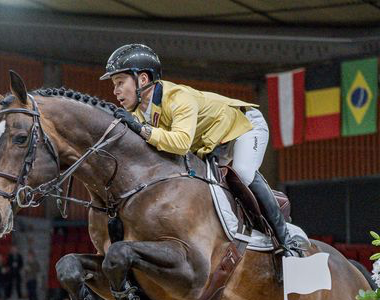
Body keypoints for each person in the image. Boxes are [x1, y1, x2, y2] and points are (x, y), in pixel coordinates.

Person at [100, 43, 307, 257]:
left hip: (244, 128)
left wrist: (141, 130)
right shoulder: (139, 113)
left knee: (244, 173)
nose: (115, 91)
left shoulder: (177, 98)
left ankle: (286, 239)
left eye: (120, 82)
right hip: (211, 144)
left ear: (142, 79)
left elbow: (180, 143)